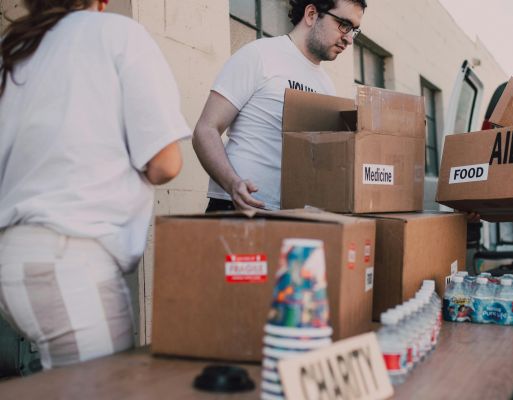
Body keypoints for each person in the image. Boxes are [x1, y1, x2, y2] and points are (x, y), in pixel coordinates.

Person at [0, 0, 190, 369]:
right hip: (71, 260)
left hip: (14, 259)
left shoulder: (17, 50)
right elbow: (166, 163)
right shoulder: (117, 34)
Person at [193, 0, 366, 212]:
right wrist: (232, 184)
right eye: (344, 25)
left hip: (292, 215)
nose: (349, 39)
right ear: (311, 14)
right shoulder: (260, 55)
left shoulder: (326, 86)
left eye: (354, 30)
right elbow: (205, 130)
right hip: (237, 208)